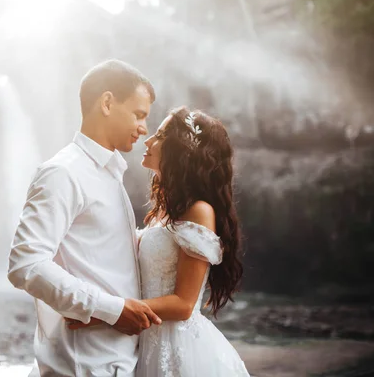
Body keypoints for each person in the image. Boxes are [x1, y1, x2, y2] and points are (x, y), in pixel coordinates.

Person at [8, 59, 161, 377]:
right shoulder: (63, 173)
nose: (144, 128)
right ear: (107, 103)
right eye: (139, 114)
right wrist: (112, 310)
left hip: (117, 360)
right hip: (84, 366)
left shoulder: (111, 173)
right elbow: (26, 263)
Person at [69, 107, 250, 376]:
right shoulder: (164, 210)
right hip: (147, 340)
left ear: (182, 151)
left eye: (161, 135)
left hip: (179, 349)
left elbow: (184, 304)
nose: (148, 140)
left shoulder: (199, 210)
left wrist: (104, 313)